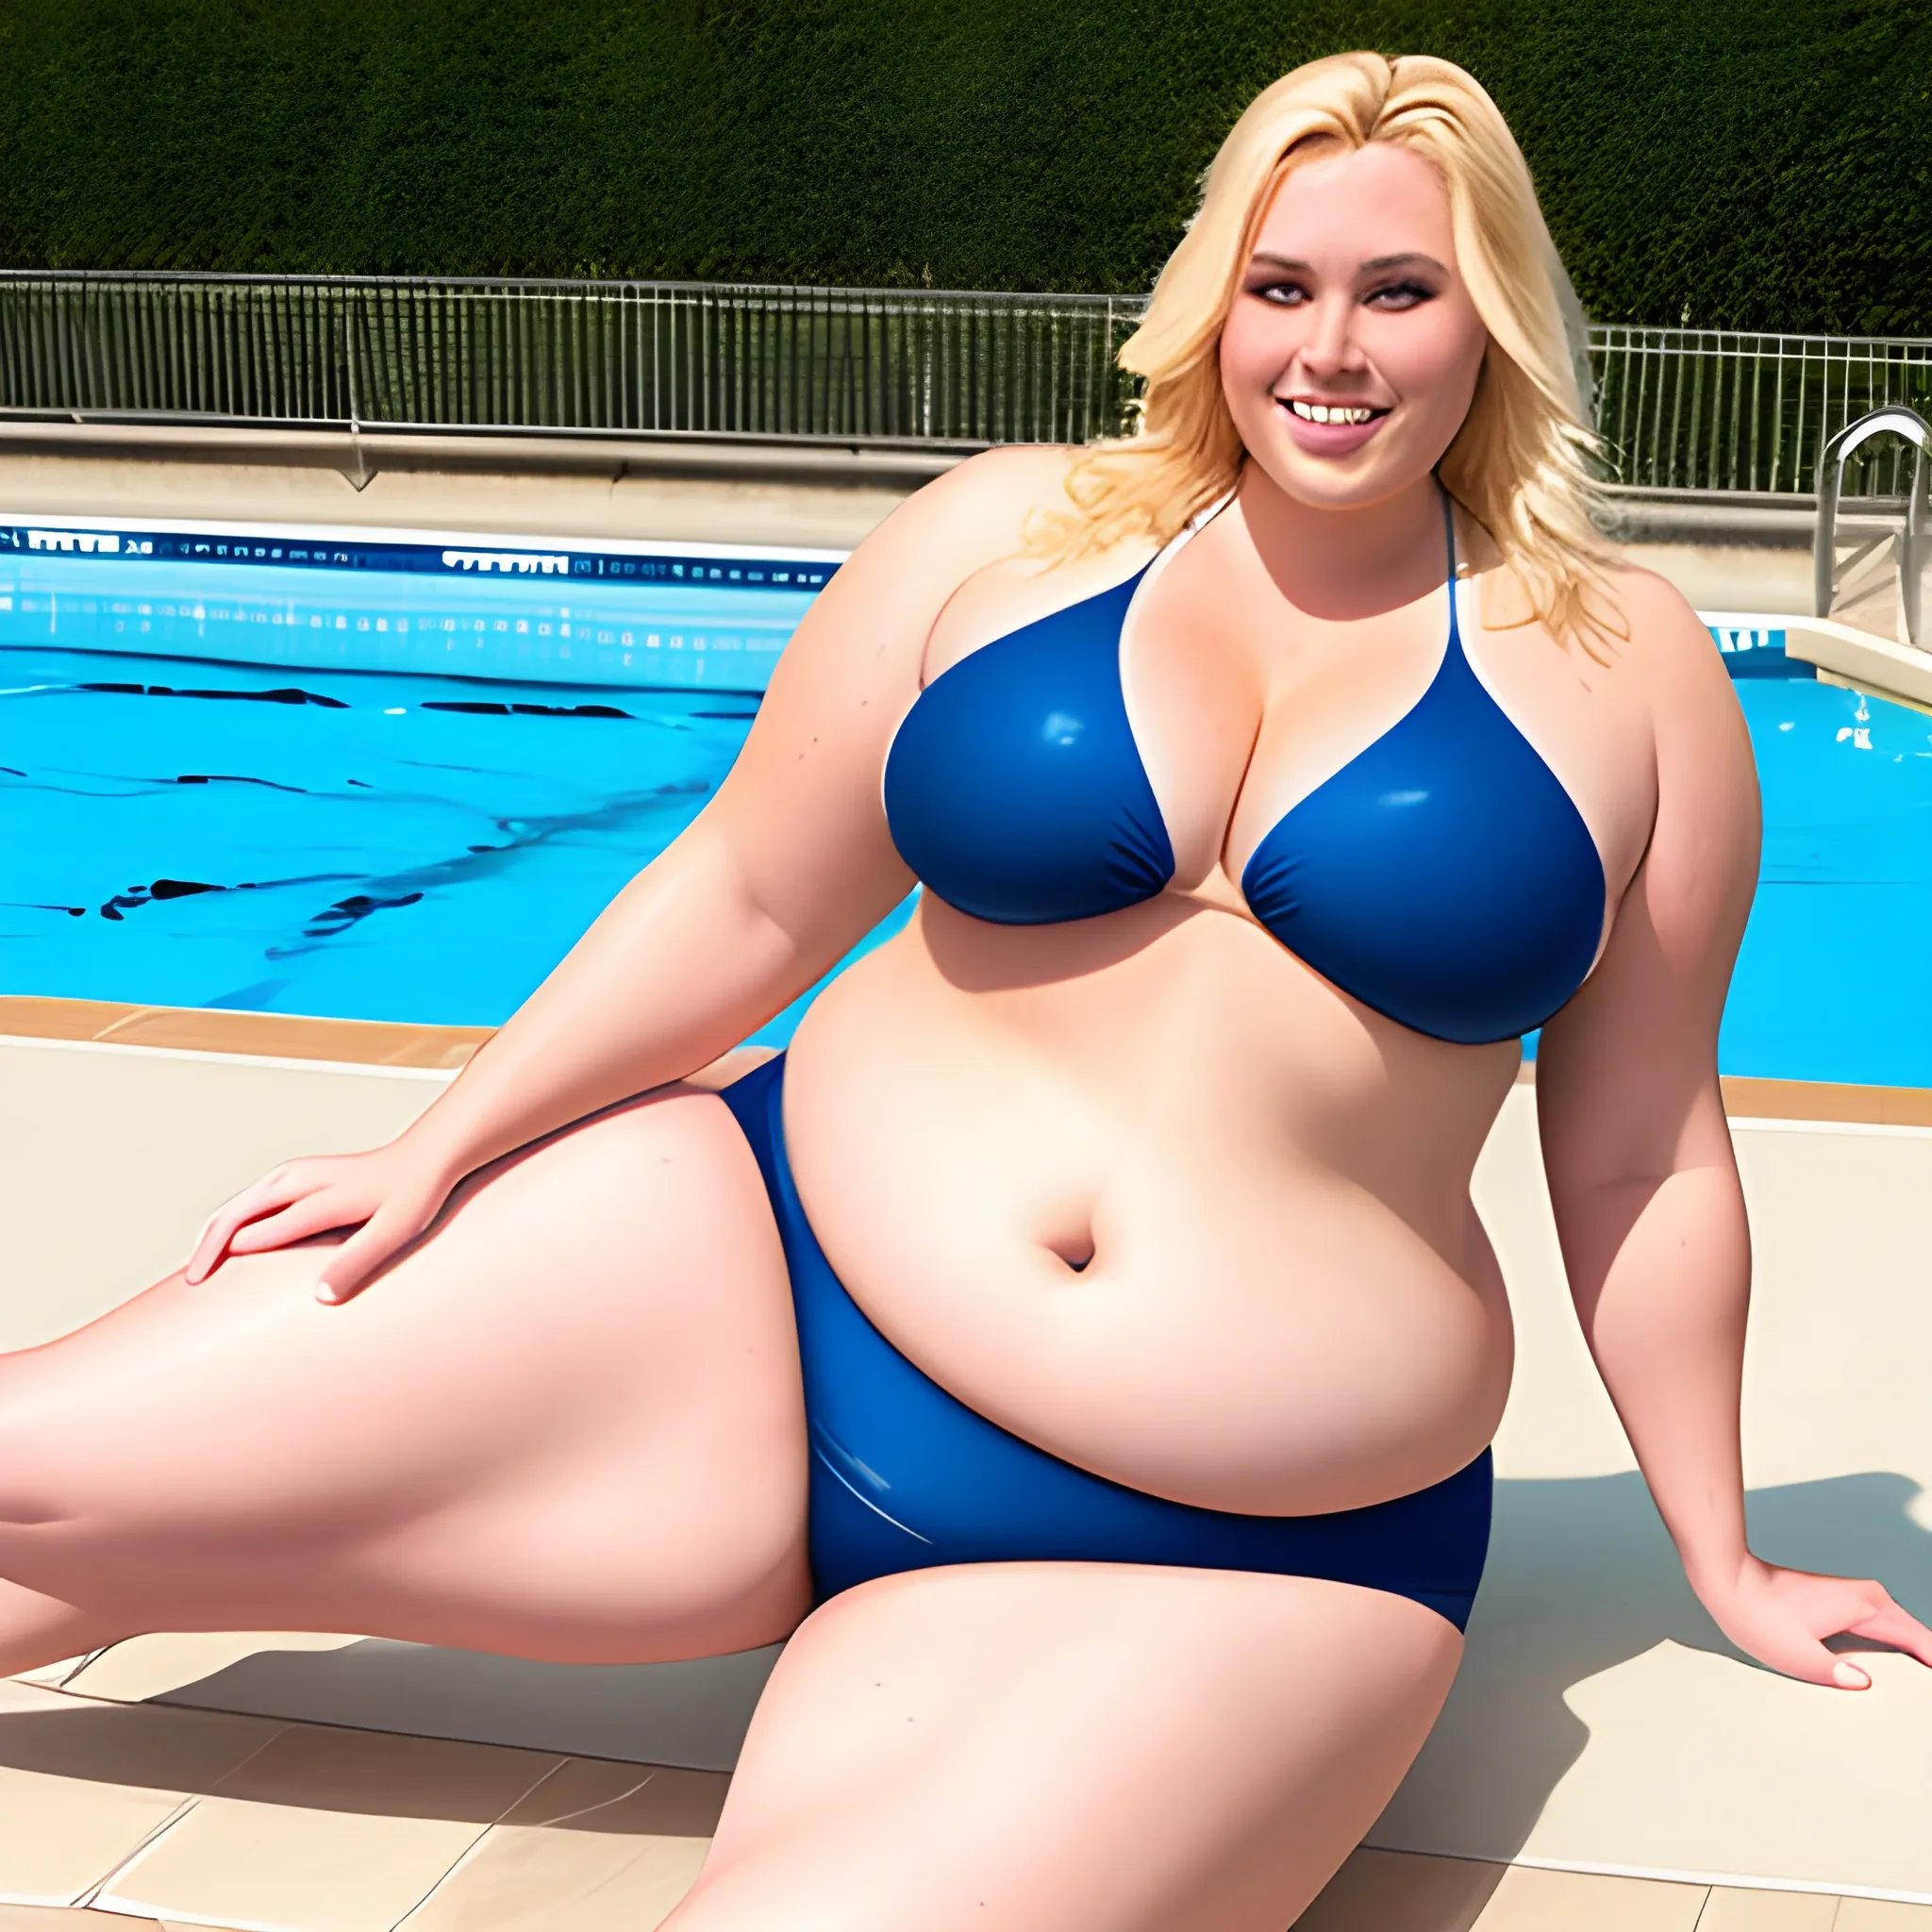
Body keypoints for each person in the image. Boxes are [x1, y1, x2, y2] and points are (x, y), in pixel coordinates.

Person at [4, 49, 1927, 1932]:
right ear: (1212, 303)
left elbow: (1640, 1156)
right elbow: (750, 892)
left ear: (1487, 314)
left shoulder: (1631, 670)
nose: (1328, 349)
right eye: (1280, 286)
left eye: (1396, 291)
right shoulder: (1009, 534)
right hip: (741, 1281)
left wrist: (1720, 1551)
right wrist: (441, 1148)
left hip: (1224, 1534)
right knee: (38, 1484)